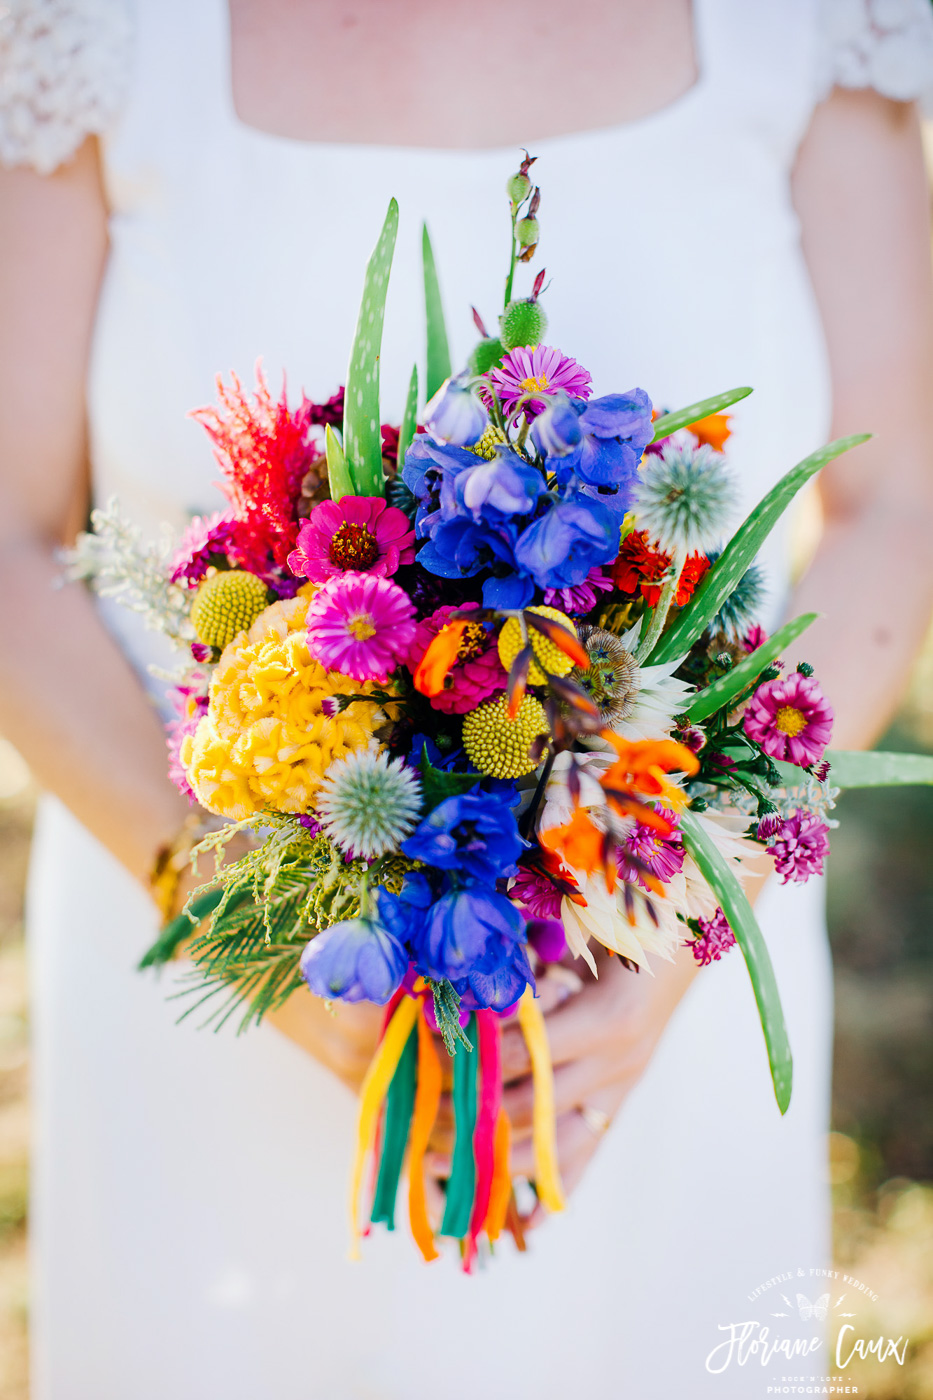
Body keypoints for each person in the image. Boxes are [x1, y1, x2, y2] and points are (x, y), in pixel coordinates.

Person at [2, 0, 933, 1395]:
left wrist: (683, 900)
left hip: (648, 999)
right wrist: (241, 913)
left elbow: (893, 503)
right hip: (205, 970)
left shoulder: (812, 27)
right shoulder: (92, 35)